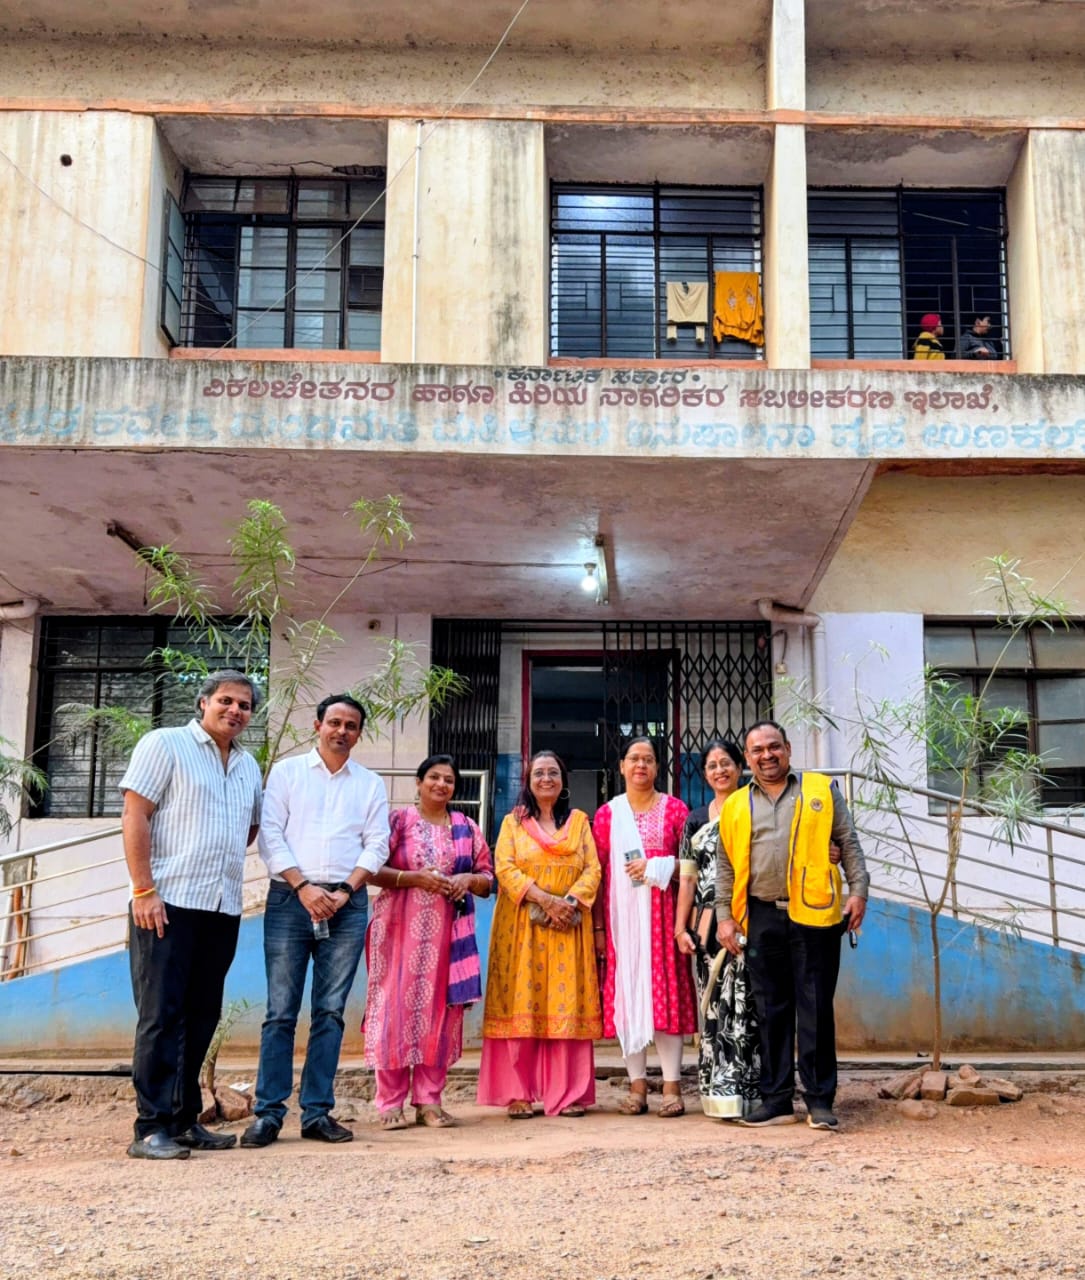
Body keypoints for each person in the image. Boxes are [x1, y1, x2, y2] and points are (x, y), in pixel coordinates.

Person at [120, 669, 263, 1160]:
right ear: (203, 701)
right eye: (225, 700)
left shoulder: (248, 765)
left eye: (244, 705)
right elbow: (134, 813)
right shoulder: (165, 744)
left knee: (201, 1016)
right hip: (167, 903)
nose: (235, 711)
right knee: (161, 1016)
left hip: (221, 906)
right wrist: (144, 889)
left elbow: (248, 830)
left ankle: (184, 1121)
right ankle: (150, 1127)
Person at [240, 694, 388, 1148]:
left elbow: (377, 843)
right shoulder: (285, 774)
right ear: (317, 725)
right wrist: (304, 887)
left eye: (351, 726)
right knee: (280, 1012)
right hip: (290, 899)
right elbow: (271, 835)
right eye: (334, 723)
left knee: (329, 1012)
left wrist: (344, 890)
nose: (341, 731)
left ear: (359, 733)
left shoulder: (369, 783)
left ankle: (317, 1112)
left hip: (347, 904)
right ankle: (268, 1114)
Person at [716, 721, 869, 1131]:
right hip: (760, 915)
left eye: (773, 747)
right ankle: (777, 1099)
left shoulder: (820, 791)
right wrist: (724, 917)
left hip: (815, 915)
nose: (766, 755)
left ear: (788, 749)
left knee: (815, 1006)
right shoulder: (734, 805)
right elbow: (726, 866)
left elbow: (848, 841)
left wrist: (859, 891)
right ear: (747, 759)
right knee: (770, 1009)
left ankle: (820, 1100)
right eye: (757, 750)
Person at [363, 754, 493, 1130]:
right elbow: (371, 870)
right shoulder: (398, 822)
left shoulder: (466, 826)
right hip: (398, 932)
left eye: (448, 780)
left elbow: (488, 877)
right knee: (393, 1011)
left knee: (441, 1014)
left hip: (449, 940)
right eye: (433, 777)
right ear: (418, 783)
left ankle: (429, 1101)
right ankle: (389, 1103)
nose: (441, 784)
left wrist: (467, 880)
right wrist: (414, 878)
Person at [477, 750, 602, 1118]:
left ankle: (567, 1094)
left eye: (553, 773)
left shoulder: (579, 823)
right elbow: (504, 867)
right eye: (538, 774)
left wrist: (570, 903)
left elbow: (593, 868)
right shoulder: (512, 823)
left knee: (564, 1006)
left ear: (563, 781)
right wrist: (546, 900)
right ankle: (518, 1092)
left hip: (569, 926)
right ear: (528, 782)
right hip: (522, 927)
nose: (546, 779)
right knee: (522, 1004)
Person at [592, 736, 696, 1118]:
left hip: (665, 920)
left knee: (666, 998)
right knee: (627, 997)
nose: (641, 765)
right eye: (634, 759)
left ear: (657, 768)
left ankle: (671, 1085)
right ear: (621, 767)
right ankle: (636, 1085)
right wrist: (600, 929)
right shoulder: (607, 815)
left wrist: (656, 868)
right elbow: (599, 875)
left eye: (649, 760)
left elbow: (689, 866)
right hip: (622, 926)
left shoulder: (675, 811)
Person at [675, 737, 759, 1120]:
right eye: (712, 765)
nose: (720, 770)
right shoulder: (694, 820)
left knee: (751, 1008)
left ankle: (756, 1094)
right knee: (715, 1011)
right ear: (704, 773)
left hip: (752, 920)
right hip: (709, 930)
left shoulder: (756, 808)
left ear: (739, 767)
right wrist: (681, 929)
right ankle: (719, 1095)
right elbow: (688, 882)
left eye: (726, 763)